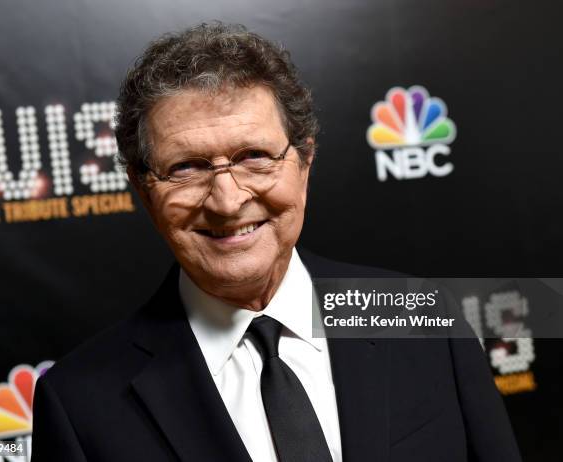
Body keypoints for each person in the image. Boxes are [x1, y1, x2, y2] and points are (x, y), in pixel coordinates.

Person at [31, 22, 522, 462]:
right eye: (186, 167)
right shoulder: (79, 404)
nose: (226, 200)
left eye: (254, 157)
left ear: (304, 163)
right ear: (144, 190)